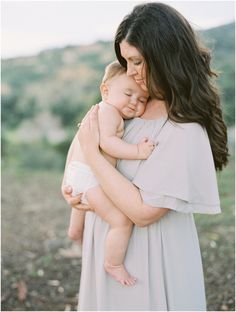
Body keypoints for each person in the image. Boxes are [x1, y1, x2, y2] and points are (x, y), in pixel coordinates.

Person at [62, 2, 229, 311]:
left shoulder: (183, 127)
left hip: (151, 257)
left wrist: (93, 159)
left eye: (138, 61)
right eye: (126, 61)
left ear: (164, 55)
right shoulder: (128, 109)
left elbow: (142, 212)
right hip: (108, 245)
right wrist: (73, 190)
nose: (131, 72)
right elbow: (87, 147)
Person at [63, 61, 152, 286]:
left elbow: (76, 147)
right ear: (105, 90)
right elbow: (108, 144)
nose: (134, 102)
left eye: (142, 99)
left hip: (79, 173)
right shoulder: (110, 112)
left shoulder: (94, 113)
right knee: (121, 222)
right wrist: (138, 151)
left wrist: (67, 179)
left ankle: (75, 233)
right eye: (128, 93)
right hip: (91, 178)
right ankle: (113, 263)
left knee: (77, 224)